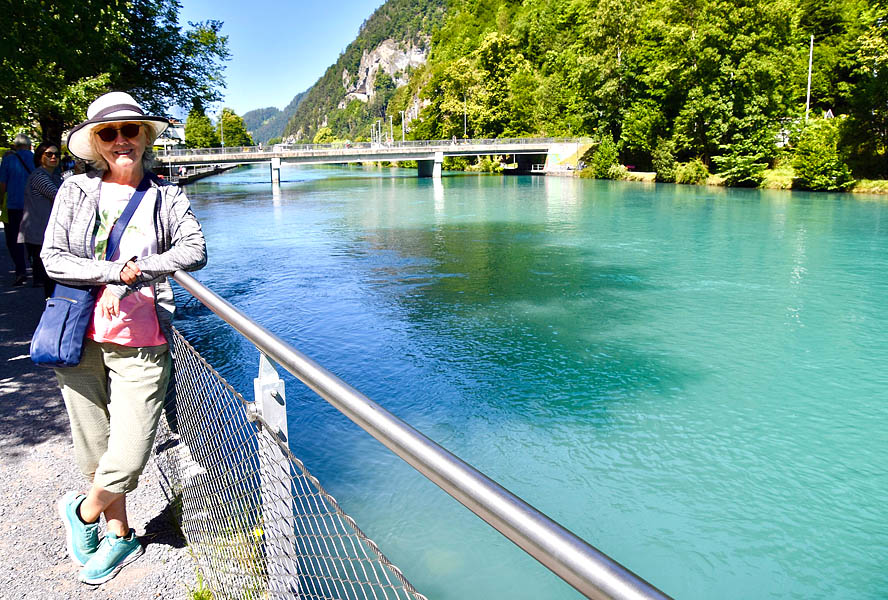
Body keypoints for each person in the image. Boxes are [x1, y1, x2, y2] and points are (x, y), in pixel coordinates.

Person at [41, 91, 207, 585]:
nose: (121, 141)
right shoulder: (75, 189)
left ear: (144, 136)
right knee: (94, 447)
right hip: (79, 330)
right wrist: (115, 271)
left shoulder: (167, 194)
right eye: (109, 133)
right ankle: (121, 535)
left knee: (130, 450)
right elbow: (54, 258)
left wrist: (143, 269)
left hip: (143, 334)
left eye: (130, 130)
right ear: (95, 142)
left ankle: (83, 513)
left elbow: (195, 249)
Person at [19, 142, 62, 297]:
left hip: (47, 232)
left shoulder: (54, 176)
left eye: (56, 154)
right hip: (39, 233)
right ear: (39, 157)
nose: (53, 157)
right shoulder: (39, 176)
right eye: (49, 154)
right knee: (49, 276)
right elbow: (59, 196)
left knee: (51, 277)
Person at [0, 134, 34, 285]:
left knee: (14, 240)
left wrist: (1, 202)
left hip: (14, 204)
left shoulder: (8, 160)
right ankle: (37, 270)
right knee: (34, 238)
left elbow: (2, 184)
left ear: (15, 145)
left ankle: (20, 271)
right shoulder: (36, 159)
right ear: (29, 145)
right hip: (34, 205)